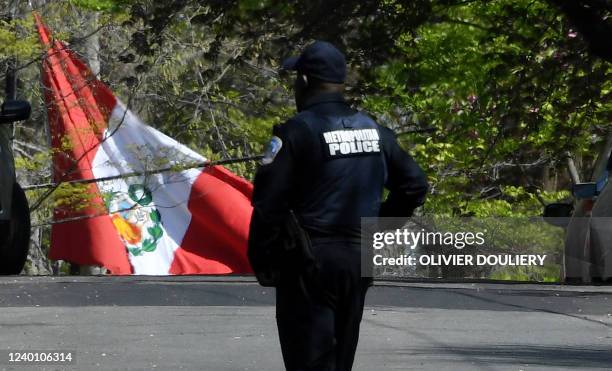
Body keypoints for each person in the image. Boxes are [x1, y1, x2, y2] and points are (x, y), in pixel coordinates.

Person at [248, 40, 429, 371]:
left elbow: (267, 204)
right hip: (357, 259)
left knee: (310, 362)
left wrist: (262, 260)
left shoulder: (296, 132)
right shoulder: (374, 131)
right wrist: (376, 229)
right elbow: (414, 185)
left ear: (304, 82)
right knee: (339, 361)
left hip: (309, 262)